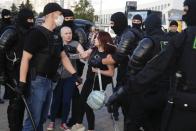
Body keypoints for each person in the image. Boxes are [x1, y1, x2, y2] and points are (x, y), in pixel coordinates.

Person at [107, 0, 196, 131]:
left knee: (132, 123)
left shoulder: (183, 37)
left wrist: (123, 91)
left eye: (186, 11)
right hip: (166, 95)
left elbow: (151, 68)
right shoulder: (172, 38)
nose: (183, 16)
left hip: (156, 96)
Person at [19, 3, 81, 131]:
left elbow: (63, 57)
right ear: (52, 14)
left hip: (50, 81)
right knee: (33, 119)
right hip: (37, 81)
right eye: (60, 14)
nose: (62, 17)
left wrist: (75, 74)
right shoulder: (36, 33)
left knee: (41, 118)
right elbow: (25, 58)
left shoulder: (56, 36)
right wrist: (22, 82)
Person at [99, 12, 143, 131]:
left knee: (129, 113)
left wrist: (98, 61)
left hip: (130, 79)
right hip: (127, 76)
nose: (111, 26)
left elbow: (117, 57)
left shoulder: (128, 35)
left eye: (113, 23)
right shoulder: (125, 34)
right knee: (126, 110)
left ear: (119, 22)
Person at [71, 31, 116, 131]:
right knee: (81, 102)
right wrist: (69, 55)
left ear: (102, 40)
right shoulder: (94, 49)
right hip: (89, 80)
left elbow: (111, 73)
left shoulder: (107, 55)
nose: (94, 39)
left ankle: (91, 128)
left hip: (99, 83)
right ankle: (79, 124)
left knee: (88, 106)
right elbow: (83, 55)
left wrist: (97, 70)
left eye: (96, 38)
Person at [0, 8, 34, 131]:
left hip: (28, 72)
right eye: (29, 19)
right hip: (12, 73)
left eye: (32, 19)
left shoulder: (31, 31)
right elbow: (1, 51)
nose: (31, 21)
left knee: (23, 104)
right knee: (15, 104)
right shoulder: (11, 32)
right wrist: (2, 73)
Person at [47, 26, 85, 131]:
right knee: (55, 100)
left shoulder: (75, 44)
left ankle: (63, 123)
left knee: (67, 101)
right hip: (58, 77)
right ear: (61, 35)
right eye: (66, 33)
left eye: (70, 33)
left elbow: (84, 56)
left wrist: (75, 55)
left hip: (70, 77)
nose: (69, 35)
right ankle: (52, 121)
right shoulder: (57, 44)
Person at [61, 9, 88, 127]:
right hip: (59, 71)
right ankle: (59, 115)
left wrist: (78, 74)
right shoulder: (59, 30)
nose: (68, 21)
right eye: (66, 19)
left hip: (74, 70)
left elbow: (82, 56)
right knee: (59, 95)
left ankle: (75, 118)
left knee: (74, 95)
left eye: (70, 19)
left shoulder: (79, 31)